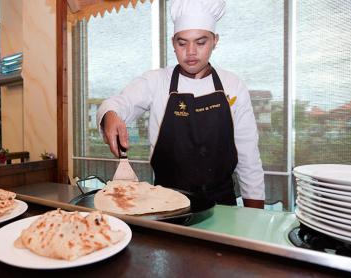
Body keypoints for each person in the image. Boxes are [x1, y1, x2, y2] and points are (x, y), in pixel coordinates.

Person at [97, 0, 265, 208]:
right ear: (173, 42)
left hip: (222, 205)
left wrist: (255, 212)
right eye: (182, 43)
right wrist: (110, 114)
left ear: (215, 40)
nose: (191, 51)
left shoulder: (233, 85)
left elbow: (248, 155)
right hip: (165, 202)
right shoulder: (156, 81)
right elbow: (118, 103)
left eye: (200, 42)